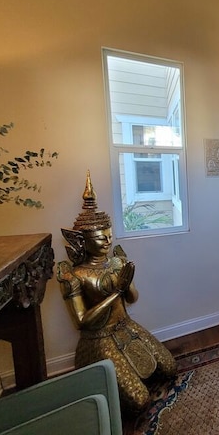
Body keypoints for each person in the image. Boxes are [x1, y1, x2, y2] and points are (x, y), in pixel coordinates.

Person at [57, 171, 176, 413]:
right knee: (139, 401)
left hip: (126, 326)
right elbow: (81, 322)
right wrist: (115, 292)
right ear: (83, 241)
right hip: (98, 338)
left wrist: (127, 284)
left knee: (169, 367)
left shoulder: (117, 263)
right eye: (101, 238)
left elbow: (132, 298)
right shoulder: (75, 276)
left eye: (109, 235)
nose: (108, 241)